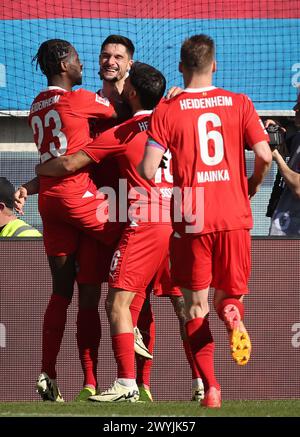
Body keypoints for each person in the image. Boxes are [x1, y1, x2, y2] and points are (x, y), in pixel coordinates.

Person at [35, 61, 204, 403]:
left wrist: (38, 171)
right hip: (186, 214)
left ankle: (127, 381)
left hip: (143, 217)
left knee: (117, 299)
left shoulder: (122, 130)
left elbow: (70, 162)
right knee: (186, 304)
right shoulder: (177, 120)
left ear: (131, 90)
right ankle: (205, 383)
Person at [138, 34, 272, 408]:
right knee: (230, 295)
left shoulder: (168, 110)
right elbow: (263, 153)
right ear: (215, 64)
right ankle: (232, 312)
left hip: (191, 217)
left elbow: (148, 169)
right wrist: (250, 185)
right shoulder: (239, 103)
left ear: (180, 67)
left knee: (195, 308)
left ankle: (211, 388)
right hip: (233, 214)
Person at [22, 38, 121, 402]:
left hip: (50, 202)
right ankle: (97, 372)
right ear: (64, 64)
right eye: (78, 60)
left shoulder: (36, 104)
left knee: (62, 293)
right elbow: (111, 111)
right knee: (135, 236)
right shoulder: (78, 99)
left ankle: (48, 374)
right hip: (79, 197)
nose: (82, 65)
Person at [267, 96, 300, 236]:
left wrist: (277, 158)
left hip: (293, 234)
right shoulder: (297, 138)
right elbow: (286, 143)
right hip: (283, 226)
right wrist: (276, 130)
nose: (294, 109)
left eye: (299, 105)